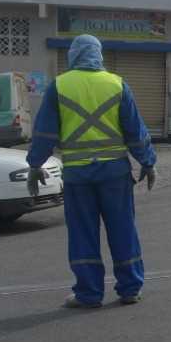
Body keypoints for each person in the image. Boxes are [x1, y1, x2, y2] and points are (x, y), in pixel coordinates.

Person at [26, 35, 157, 308]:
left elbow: (44, 132)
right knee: (123, 230)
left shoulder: (59, 86)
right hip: (115, 173)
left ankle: (88, 293)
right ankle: (130, 288)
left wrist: (35, 164)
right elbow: (135, 131)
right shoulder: (117, 84)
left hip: (77, 175)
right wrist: (147, 161)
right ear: (99, 54)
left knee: (83, 234)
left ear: (73, 55)